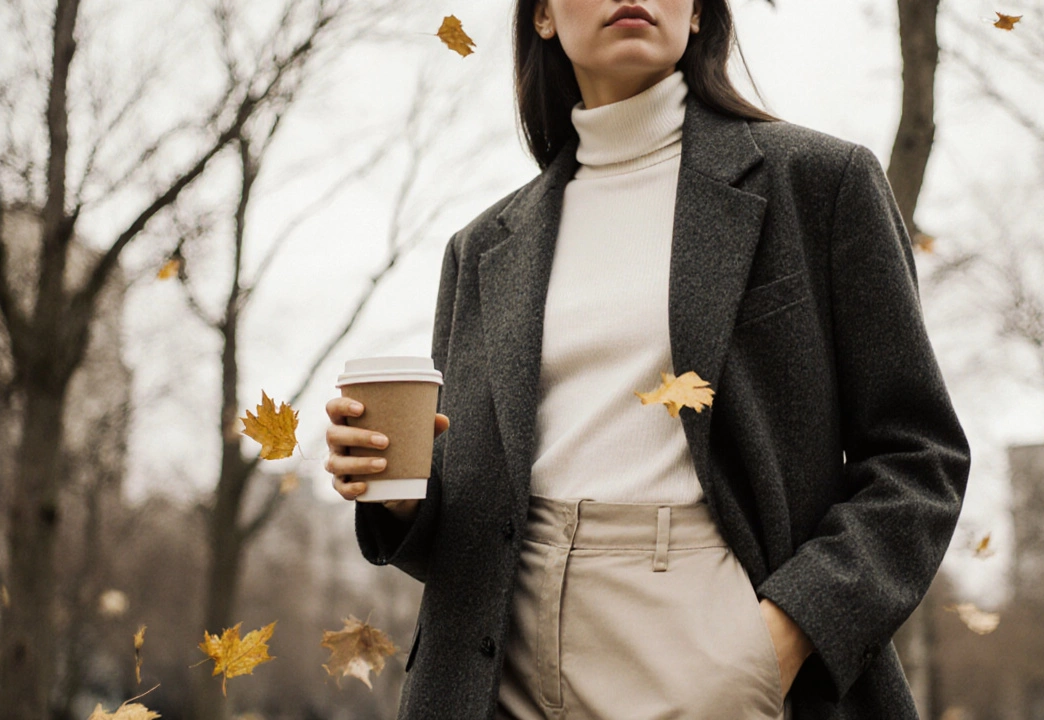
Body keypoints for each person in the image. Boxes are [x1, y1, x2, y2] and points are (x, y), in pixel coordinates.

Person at [325, 0, 969, 718]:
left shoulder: (819, 183)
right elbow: (475, 533)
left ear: (696, 14)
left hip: (714, 647)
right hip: (494, 670)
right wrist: (404, 499)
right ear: (542, 16)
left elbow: (919, 459)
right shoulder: (480, 249)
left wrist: (781, 638)